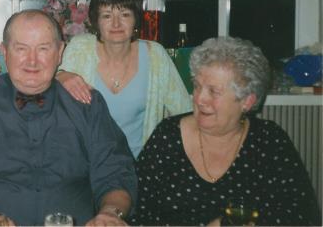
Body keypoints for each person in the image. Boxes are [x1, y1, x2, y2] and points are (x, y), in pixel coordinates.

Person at [0, 9, 137, 226]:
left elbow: (117, 173)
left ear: (60, 52)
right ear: (4, 52)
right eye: (21, 49)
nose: (32, 61)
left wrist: (110, 213)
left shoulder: (87, 105)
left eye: (43, 49)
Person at [131, 36, 322, 226]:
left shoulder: (269, 141)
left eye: (214, 91)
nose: (199, 99)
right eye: (197, 86)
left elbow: (303, 216)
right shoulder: (167, 135)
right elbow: (137, 210)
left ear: (247, 101)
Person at [57, 0, 191, 157]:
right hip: (88, 165)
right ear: (95, 20)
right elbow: (49, 93)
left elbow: (183, 111)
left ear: (135, 19)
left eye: (125, 15)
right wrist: (61, 75)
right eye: (106, 16)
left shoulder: (155, 55)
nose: (116, 24)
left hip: (141, 167)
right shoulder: (80, 48)